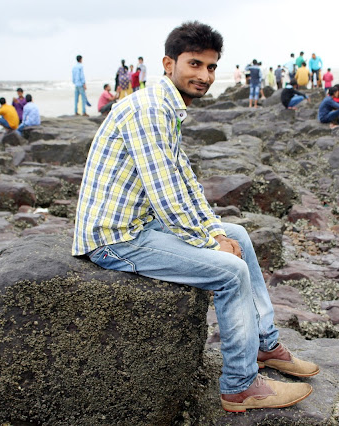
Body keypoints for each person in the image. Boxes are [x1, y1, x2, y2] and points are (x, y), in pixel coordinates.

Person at [72, 20, 318, 413]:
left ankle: (265, 345)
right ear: (169, 63)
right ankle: (240, 387)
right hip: (115, 238)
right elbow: (165, 192)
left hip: (140, 225)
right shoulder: (149, 110)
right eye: (195, 65)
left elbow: (183, 180)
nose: (205, 75)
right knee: (229, 270)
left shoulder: (167, 108)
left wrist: (214, 230)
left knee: (237, 232)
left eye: (211, 67)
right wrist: (210, 243)